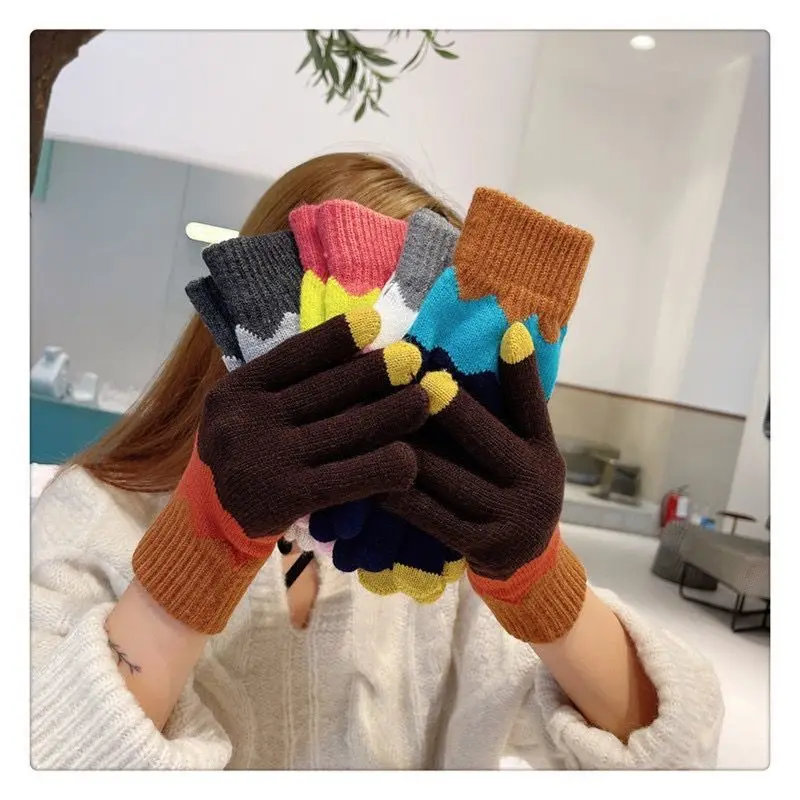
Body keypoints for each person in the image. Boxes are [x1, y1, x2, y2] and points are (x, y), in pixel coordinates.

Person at [31, 153, 724, 770]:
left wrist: (540, 582)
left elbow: (680, 758)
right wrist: (200, 550)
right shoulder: (96, 518)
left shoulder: (444, 556)